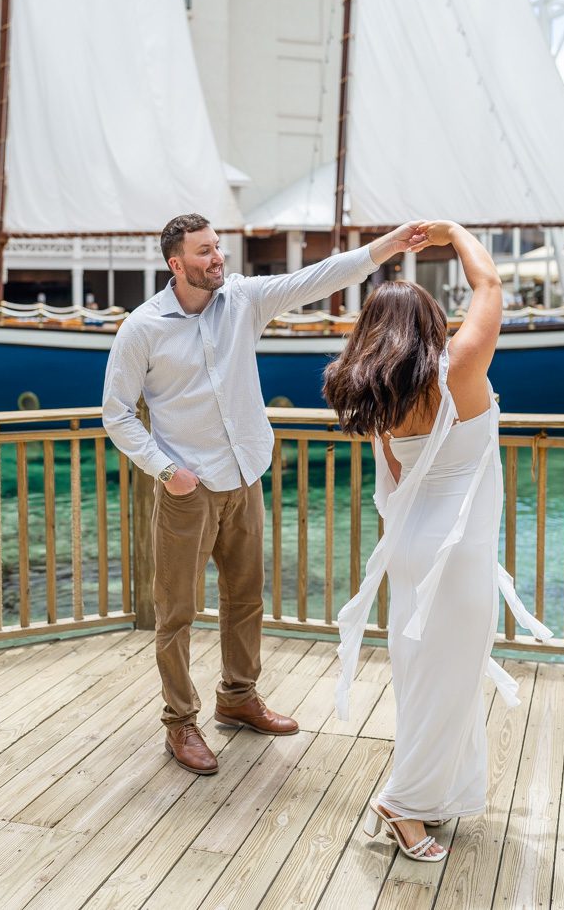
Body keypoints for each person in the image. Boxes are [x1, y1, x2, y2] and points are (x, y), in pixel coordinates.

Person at [102, 212, 429, 776]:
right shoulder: (142, 328)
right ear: (176, 263)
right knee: (177, 611)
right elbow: (117, 416)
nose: (217, 259)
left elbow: (319, 277)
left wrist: (388, 246)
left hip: (244, 474)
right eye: (204, 252)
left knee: (246, 597)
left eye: (217, 248)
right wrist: (166, 471)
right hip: (188, 488)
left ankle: (237, 696)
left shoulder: (244, 301)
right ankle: (180, 722)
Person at [324, 221, 551, 862]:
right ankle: (401, 806)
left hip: (413, 548)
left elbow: (396, 479)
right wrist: (452, 232)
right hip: (457, 553)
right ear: (430, 323)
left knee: (426, 679)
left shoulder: (379, 393)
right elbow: (491, 280)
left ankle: (435, 797)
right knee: (447, 682)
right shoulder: (458, 368)